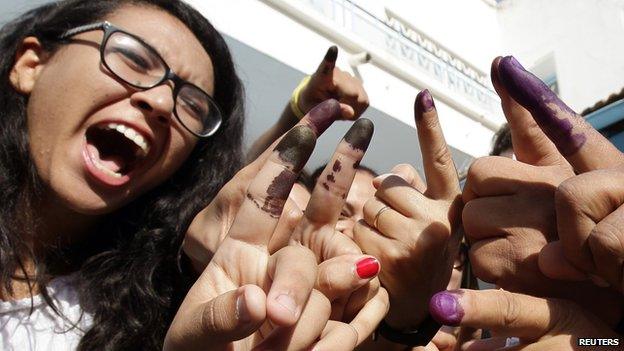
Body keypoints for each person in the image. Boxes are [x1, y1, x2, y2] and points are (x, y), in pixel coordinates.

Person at [0, 1, 382, 350]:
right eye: (132, 58)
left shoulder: (150, 307)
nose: (162, 102)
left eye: (192, 104)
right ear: (30, 65)